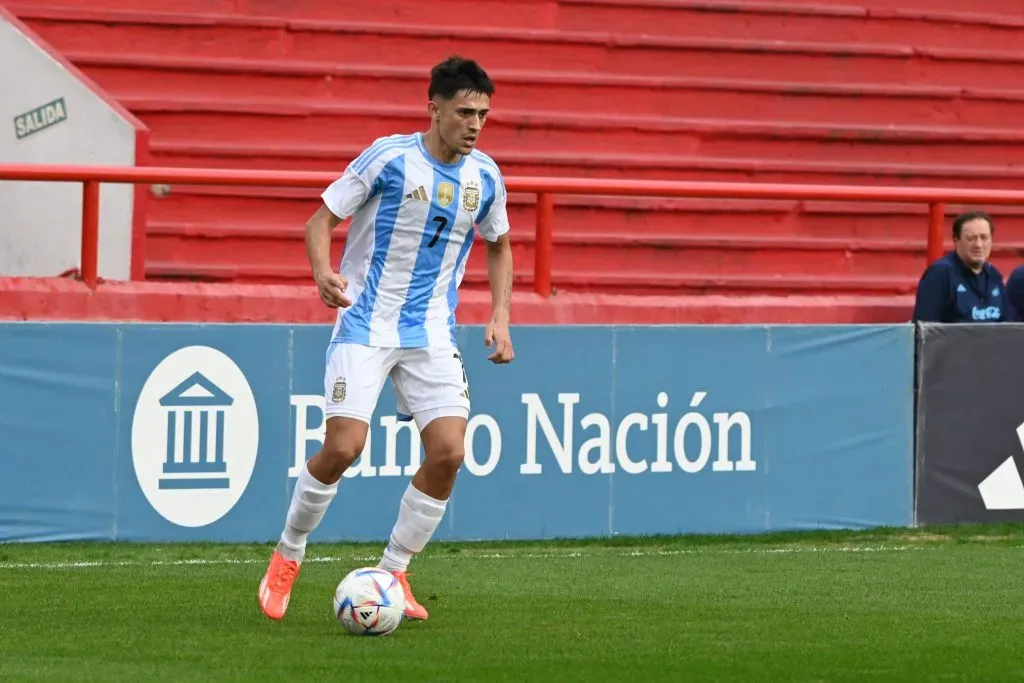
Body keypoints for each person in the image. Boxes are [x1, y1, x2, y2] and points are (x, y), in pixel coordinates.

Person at [258, 55, 515, 622]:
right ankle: (288, 554)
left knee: (449, 453)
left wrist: (499, 314)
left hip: (431, 333)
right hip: (366, 323)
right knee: (344, 447)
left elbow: (498, 243)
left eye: (484, 115)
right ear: (435, 108)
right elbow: (319, 221)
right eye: (465, 112)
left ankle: (395, 570)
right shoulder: (389, 157)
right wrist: (324, 272)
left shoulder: (486, 177)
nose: (474, 124)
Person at [911, 210, 1009, 323]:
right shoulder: (940, 274)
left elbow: (1007, 327)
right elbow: (925, 331)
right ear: (956, 240)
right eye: (970, 238)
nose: (978, 245)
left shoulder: (994, 275)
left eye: (984, 238)